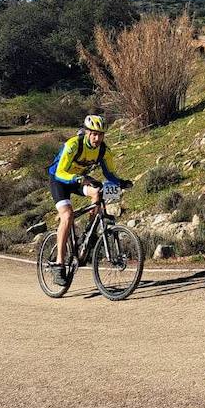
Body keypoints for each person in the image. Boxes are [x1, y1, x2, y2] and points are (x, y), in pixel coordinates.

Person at [45, 115, 130, 285]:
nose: (97, 138)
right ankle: (59, 264)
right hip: (59, 180)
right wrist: (76, 178)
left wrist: (121, 183)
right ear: (87, 132)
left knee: (97, 193)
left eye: (101, 134)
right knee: (67, 216)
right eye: (93, 134)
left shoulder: (103, 150)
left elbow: (109, 174)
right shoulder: (73, 145)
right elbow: (60, 171)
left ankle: (88, 236)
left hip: (79, 179)